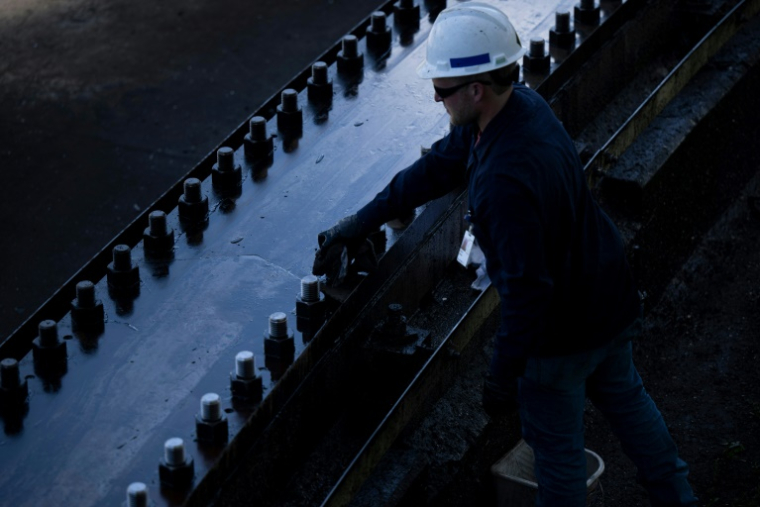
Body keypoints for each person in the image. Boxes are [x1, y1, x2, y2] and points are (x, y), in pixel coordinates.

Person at [313, 3, 697, 506]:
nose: (435, 96)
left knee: (557, 460)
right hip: (608, 295)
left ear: (476, 88)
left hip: (560, 336)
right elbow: (441, 167)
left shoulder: (501, 184)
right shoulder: (521, 106)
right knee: (629, 403)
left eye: (443, 90)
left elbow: (527, 294)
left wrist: (501, 375)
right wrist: (363, 219)